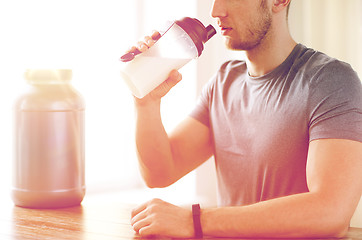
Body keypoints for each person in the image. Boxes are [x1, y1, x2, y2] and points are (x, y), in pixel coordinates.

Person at [129, 0, 362, 238]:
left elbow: (331, 211)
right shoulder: (223, 83)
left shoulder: (331, 81)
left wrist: (195, 221)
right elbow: (159, 172)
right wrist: (146, 102)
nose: (216, 12)